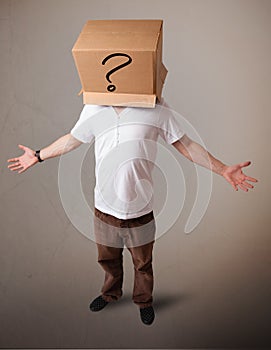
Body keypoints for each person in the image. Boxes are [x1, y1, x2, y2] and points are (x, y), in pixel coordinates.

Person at [7, 100, 258, 326]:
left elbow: (186, 145)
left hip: (140, 209)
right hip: (104, 208)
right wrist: (39, 156)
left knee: (143, 264)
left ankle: (144, 301)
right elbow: (73, 139)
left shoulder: (156, 107)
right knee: (108, 259)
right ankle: (110, 293)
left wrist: (223, 168)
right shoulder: (94, 108)